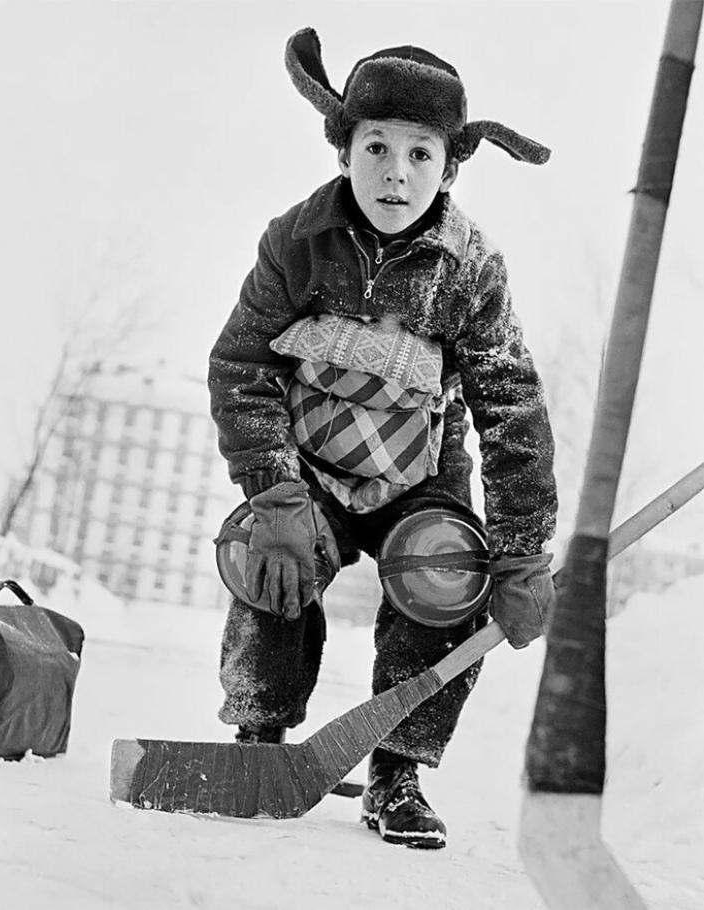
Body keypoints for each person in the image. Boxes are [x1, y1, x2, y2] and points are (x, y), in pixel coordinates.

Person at [207, 27, 558, 849]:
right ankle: (259, 739)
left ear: (447, 166)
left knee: (447, 581)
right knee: (268, 561)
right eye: (376, 147)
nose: (395, 172)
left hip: (418, 476)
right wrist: (274, 490)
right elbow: (240, 363)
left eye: (419, 154)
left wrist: (518, 550)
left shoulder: (469, 267)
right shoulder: (295, 241)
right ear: (343, 151)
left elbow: (509, 404)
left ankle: (396, 772)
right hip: (312, 470)